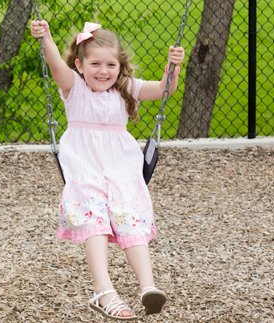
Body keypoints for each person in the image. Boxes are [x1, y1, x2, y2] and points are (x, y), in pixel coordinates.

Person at [30, 19, 184, 320]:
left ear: (120, 66)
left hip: (122, 169)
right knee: (95, 221)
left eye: (111, 64)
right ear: (80, 64)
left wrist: (172, 66)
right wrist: (46, 36)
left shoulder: (126, 88)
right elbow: (54, 64)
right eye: (95, 64)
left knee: (132, 221)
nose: (103, 71)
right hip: (85, 168)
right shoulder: (73, 88)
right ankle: (104, 291)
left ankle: (148, 288)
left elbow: (165, 89)